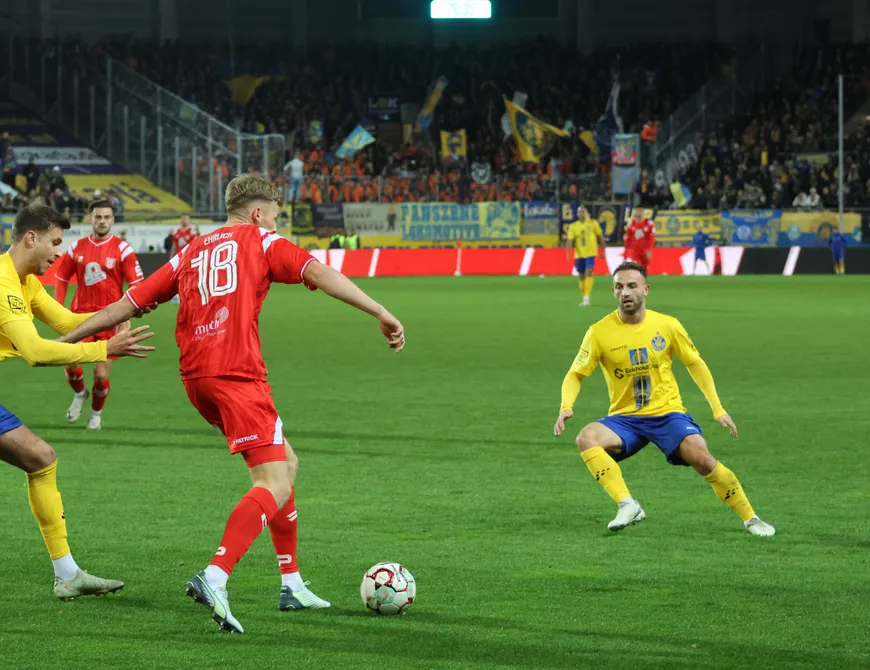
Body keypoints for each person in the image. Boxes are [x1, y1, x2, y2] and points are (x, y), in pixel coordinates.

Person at [59, 175, 406, 634]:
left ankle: (292, 584)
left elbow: (125, 305)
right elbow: (319, 274)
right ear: (259, 212)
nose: (278, 224)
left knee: (287, 462)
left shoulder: (190, 250)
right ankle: (216, 574)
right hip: (237, 374)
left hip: (197, 377)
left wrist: (62, 342)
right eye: (277, 216)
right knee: (272, 482)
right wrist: (379, 310)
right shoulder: (262, 240)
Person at [553, 261, 774, 537]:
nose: (625, 292)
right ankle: (627, 504)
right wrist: (566, 407)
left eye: (632, 286)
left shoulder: (667, 325)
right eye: (619, 287)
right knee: (587, 438)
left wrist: (717, 408)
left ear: (646, 289)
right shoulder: (598, 332)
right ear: (613, 291)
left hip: (667, 414)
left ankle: (751, 518)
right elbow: (575, 373)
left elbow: (696, 364)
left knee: (703, 460)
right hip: (625, 418)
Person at [0, 204, 154, 599]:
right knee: (41, 458)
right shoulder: (2, 282)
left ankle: (67, 575)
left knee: (41, 458)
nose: (59, 252)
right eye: (54, 242)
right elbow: (35, 351)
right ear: (30, 238)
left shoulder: (26, 283)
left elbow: (69, 322)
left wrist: (128, 307)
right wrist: (103, 349)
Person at [54, 199, 144, 430]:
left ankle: (95, 414)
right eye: (98, 217)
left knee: (100, 374)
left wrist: (126, 316)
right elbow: (62, 277)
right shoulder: (77, 247)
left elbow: (136, 285)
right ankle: (79, 394)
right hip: (80, 317)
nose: (102, 221)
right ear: (90, 218)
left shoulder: (123, 249)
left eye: (106, 217)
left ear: (112, 220)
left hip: (110, 319)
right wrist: (57, 308)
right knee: (70, 364)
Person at [565, 205, 604, 307]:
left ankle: (587, 298)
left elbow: (600, 237)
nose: (581, 213)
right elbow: (569, 240)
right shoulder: (573, 226)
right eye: (579, 212)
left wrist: (603, 250)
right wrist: (568, 253)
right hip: (579, 255)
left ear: (587, 213)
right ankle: (584, 297)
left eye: (583, 211)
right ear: (577, 214)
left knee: (588, 273)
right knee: (582, 276)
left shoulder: (593, 223)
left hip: (591, 253)